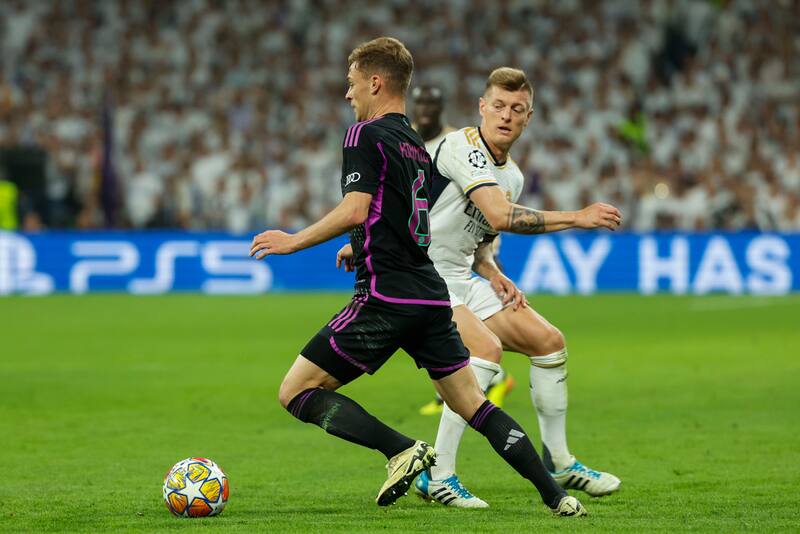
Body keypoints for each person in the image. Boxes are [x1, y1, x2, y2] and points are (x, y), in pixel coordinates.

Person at [251, 37, 586, 516]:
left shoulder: (363, 135)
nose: (348, 95)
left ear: (374, 81)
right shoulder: (413, 142)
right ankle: (557, 497)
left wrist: (292, 240)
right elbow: (404, 215)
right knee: (476, 404)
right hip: (430, 296)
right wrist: (362, 242)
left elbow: (356, 207)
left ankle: (400, 449)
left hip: (384, 296)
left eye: (351, 85)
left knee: (296, 391)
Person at [411, 67, 622, 508]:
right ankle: (438, 475)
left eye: (517, 109)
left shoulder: (513, 177)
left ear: (529, 118)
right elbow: (502, 215)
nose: (506, 116)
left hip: (461, 277)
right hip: (420, 275)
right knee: (485, 351)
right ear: (482, 108)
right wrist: (577, 217)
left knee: (549, 343)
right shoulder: (460, 146)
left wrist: (493, 272)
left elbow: (482, 239)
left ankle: (560, 461)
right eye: (499, 106)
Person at [411, 85, 515, 417]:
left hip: (467, 233)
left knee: (442, 320)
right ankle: (465, 387)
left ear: (442, 107)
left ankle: (484, 382)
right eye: (421, 101)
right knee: (435, 323)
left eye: (432, 102)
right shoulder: (409, 139)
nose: (426, 107)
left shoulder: (455, 143)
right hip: (426, 240)